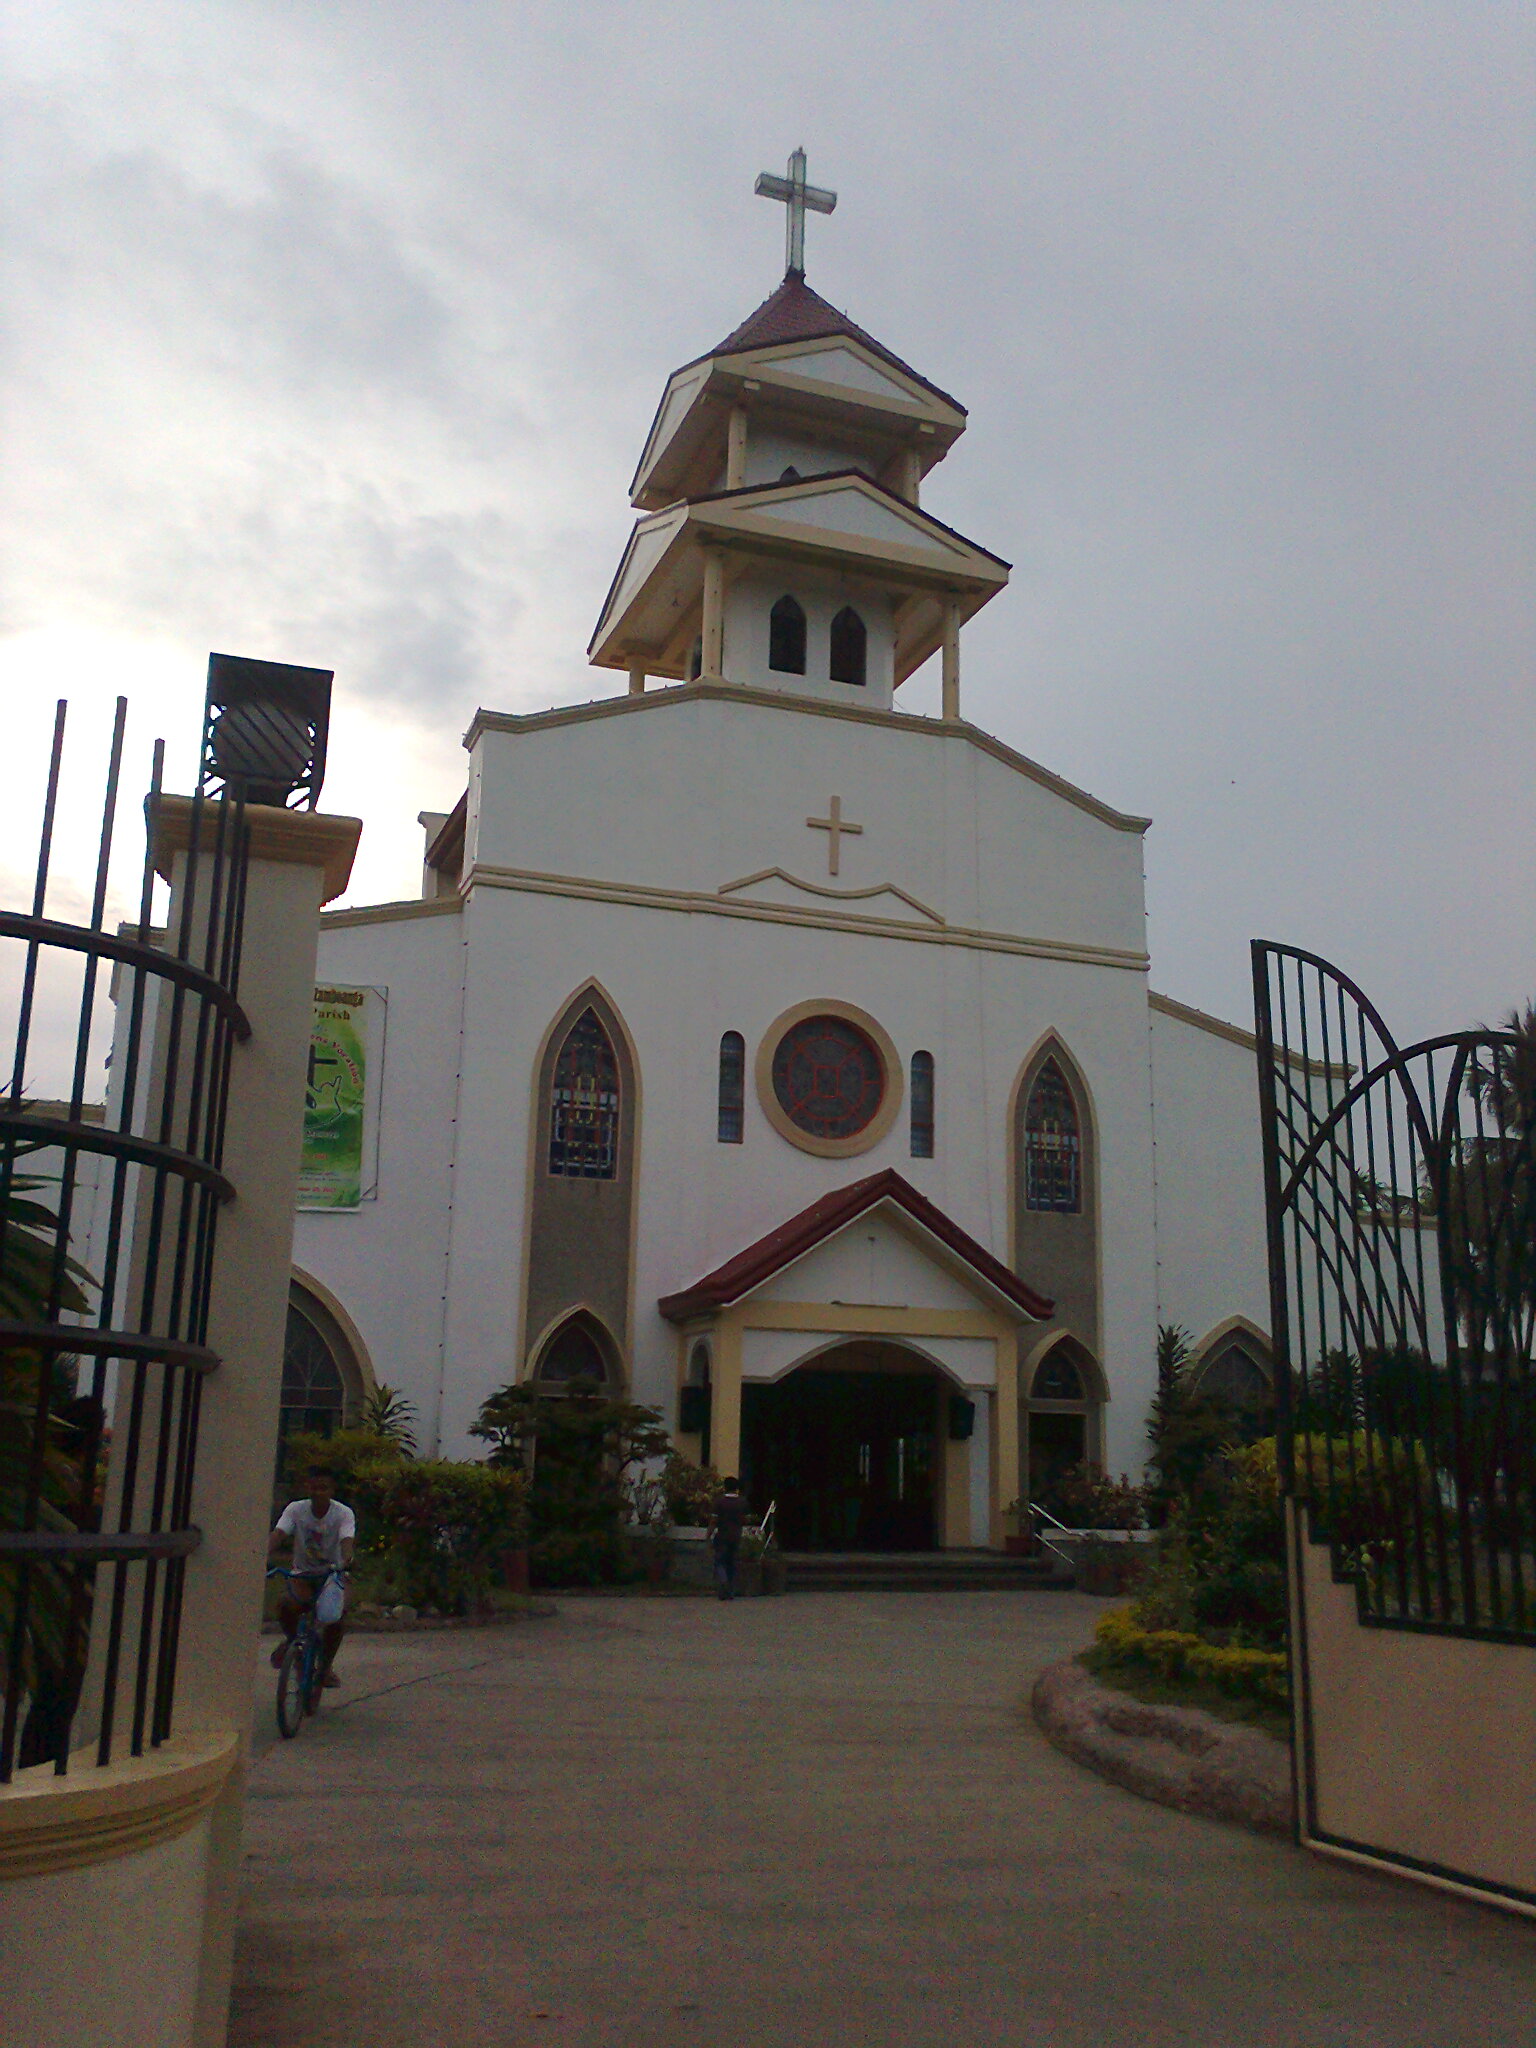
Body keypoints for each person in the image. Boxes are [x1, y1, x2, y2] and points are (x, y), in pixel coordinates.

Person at [268, 1465, 355, 1686]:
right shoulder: (295, 1510)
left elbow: (347, 1540)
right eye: (314, 1488)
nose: (318, 1493)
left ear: (332, 1490)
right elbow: (279, 1534)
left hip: (331, 1575)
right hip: (303, 1574)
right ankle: (293, 1645)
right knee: (286, 1605)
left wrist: (345, 1561)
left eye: (324, 1488)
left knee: (336, 1617)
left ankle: (325, 1668)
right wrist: (260, 1554)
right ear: (308, 1488)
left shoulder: (343, 1513)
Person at [708, 1476, 749, 1601]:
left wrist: (708, 1535)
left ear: (725, 1487)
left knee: (720, 1561)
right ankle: (730, 1590)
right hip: (736, 1536)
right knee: (732, 1563)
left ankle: (723, 1581)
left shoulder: (719, 1501)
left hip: (722, 1536)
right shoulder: (743, 1502)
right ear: (736, 1488)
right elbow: (745, 1519)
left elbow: (713, 1521)